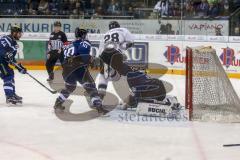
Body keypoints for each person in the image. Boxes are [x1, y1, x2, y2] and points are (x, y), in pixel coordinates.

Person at [97, 21, 167, 109]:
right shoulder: (123, 30)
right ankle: (131, 98)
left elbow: (100, 53)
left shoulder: (105, 35)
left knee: (104, 76)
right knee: (127, 74)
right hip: (115, 54)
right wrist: (123, 49)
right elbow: (131, 42)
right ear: (118, 26)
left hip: (103, 56)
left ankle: (99, 97)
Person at [53, 28, 107, 114]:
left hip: (66, 70)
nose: (86, 37)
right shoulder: (85, 42)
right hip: (79, 69)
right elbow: (83, 55)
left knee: (70, 87)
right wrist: (90, 59)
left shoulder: (69, 44)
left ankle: (58, 103)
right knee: (91, 87)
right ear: (83, 35)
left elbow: (63, 57)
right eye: (85, 35)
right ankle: (98, 106)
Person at [0, 25, 27, 104]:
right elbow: (1, 49)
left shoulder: (14, 43)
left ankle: (12, 93)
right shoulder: (5, 38)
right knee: (8, 75)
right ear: (14, 33)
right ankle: (9, 96)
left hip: (2, 61)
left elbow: (11, 59)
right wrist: (6, 54)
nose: (20, 35)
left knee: (10, 74)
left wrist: (19, 67)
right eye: (19, 33)